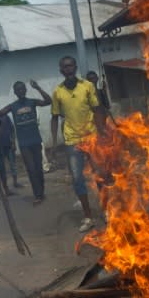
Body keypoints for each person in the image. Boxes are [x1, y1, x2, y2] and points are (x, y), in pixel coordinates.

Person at [51, 56, 106, 233]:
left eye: (70, 65)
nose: (68, 69)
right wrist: (53, 142)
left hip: (91, 136)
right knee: (77, 179)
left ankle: (106, 211)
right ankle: (88, 216)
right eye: (64, 66)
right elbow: (54, 117)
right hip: (72, 140)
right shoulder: (57, 92)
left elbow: (97, 110)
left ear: (75, 67)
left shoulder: (87, 86)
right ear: (61, 70)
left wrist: (101, 131)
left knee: (99, 175)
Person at [0, 80, 52, 205]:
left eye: (22, 89)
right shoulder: (12, 106)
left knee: (38, 169)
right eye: (18, 90)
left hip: (36, 140)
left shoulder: (32, 102)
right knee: (31, 169)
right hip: (24, 143)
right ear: (15, 92)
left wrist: (38, 88)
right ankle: (37, 195)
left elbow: (48, 101)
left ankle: (41, 192)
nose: (20, 91)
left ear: (25, 90)